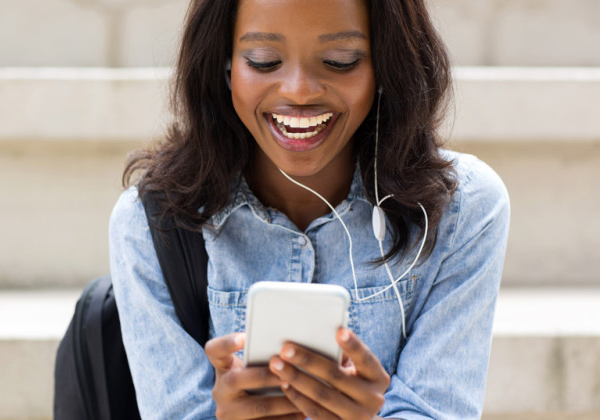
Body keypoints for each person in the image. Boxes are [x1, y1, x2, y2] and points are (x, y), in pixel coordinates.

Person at [108, 0, 510, 418]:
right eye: (263, 61)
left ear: (385, 67)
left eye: (341, 61)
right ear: (224, 66)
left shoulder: (463, 208)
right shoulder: (150, 222)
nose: (298, 90)